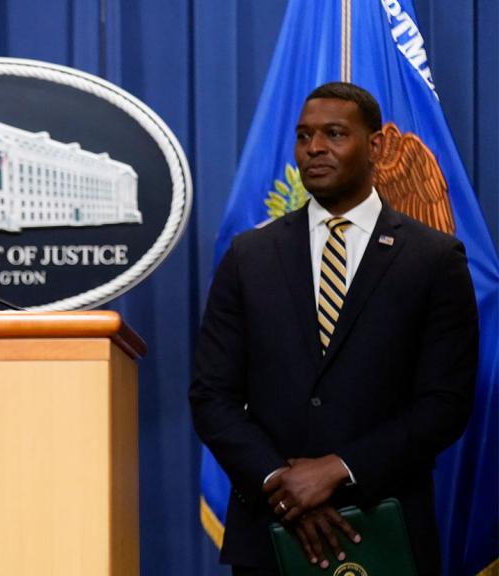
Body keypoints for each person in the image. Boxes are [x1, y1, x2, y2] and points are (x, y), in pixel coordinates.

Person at [189, 82, 478, 575]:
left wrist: (337, 470)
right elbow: (211, 395)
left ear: (377, 146)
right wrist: (281, 482)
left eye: (335, 134)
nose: (315, 148)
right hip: (269, 534)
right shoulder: (248, 256)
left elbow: (445, 404)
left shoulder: (433, 259)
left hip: (384, 528)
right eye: (304, 137)